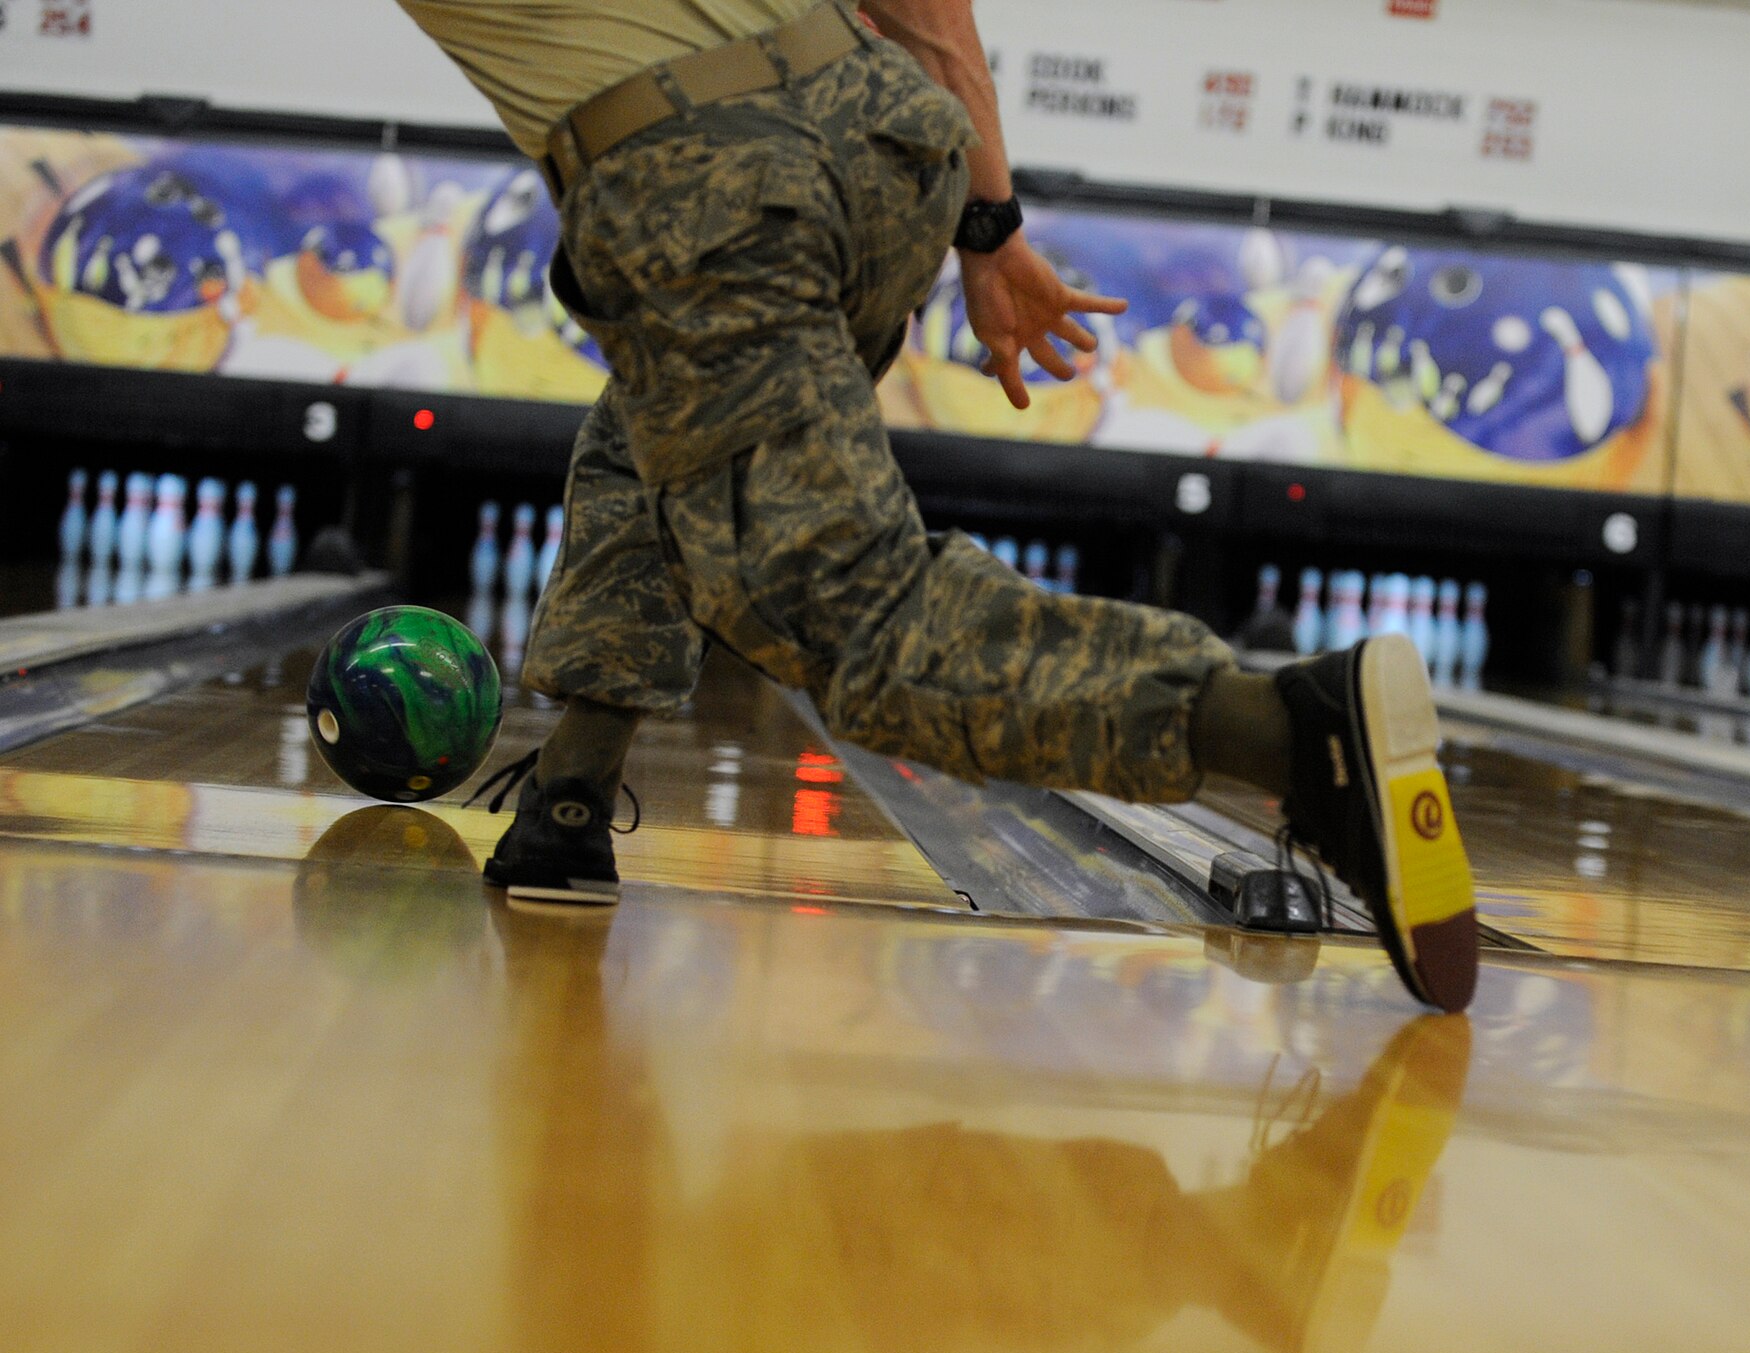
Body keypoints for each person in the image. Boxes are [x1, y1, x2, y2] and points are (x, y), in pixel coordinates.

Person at [398, 0, 1479, 1011]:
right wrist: (988, 220)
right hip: (891, 142)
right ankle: (569, 800)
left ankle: (1293, 739)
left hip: (701, 176)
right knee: (660, 438)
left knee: (846, 612)